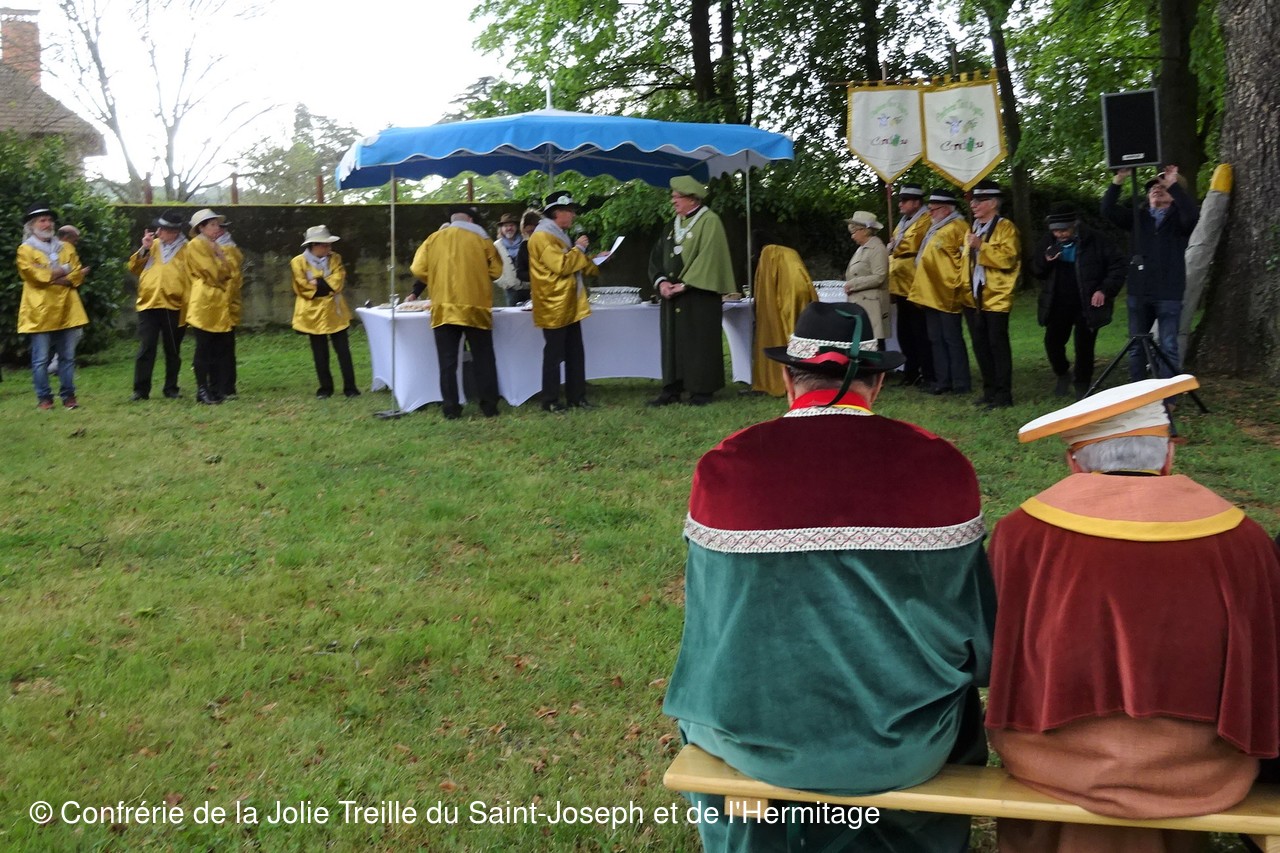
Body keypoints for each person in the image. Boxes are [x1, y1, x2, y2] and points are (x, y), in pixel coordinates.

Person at [664, 301, 995, 853]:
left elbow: (708, 627)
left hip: (751, 740)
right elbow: (977, 635)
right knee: (955, 711)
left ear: (787, 379)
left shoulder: (727, 466)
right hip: (902, 747)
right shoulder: (940, 466)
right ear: (878, 382)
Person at [986, 374, 1280, 853]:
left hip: (1055, 762)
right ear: (1167, 458)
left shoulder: (1021, 534)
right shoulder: (1244, 539)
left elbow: (998, 647)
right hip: (1199, 768)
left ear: (1074, 462)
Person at [1101, 165, 1199, 380]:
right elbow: (1107, 209)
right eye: (1153, 187)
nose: (1156, 189)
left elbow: (1192, 215)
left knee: (1168, 346)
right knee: (1136, 345)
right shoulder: (1138, 217)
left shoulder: (1180, 220)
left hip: (1169, 292)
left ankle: (1168, 395)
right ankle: (1139, 392)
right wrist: (1119, 178)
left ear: (1174, 195)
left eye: (1163, 187)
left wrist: (1173, 185)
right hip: (1139, 291)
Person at [647, 175, 736, 406]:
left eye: (677, 197)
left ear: (692, 199)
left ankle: (701, 390)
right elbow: (656, 257)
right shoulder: (672, 224)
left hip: (699, 294)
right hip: (671, 296)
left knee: (699, 341)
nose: (673, 201)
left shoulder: (710, 221)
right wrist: (661, 282)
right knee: (673, 342)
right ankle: (672, 388)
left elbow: (710, 256)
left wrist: (685, 284)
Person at [409, 206, 503, 419]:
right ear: (470, 220)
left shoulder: (433, 238)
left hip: (443, 307)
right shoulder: (482, 239)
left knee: (447, 362)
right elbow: (497, 271)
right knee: (483, 358)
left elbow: (417, 268)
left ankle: (450, 408)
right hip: (476, 306)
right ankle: (489, 406)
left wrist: (436, 277)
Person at [1031, 202, 1125, 398]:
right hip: (1058, 301)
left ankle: (1082, 385)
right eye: (1056, 231)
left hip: (1087, 302)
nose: (1060, 234)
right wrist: (1046, 261)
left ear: (1075, 225)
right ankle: (1062, 373)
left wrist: (1104, 290)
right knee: (1052, 342)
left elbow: (1117, 266)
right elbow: (1036, 270)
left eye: (1064, 230)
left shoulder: (1096, 240)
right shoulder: (1048, 241)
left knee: (1084, 346)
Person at [528, 191, 601, 412]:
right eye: (569, 211)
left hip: (568, 304)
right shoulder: (542, 237)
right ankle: (550, 400)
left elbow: (572, 262)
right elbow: (561, 265)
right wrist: (579, 249)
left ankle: (576, 397)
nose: (573, 215)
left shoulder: (557, 235)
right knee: (554, 355)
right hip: (553, 305)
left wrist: (595, 261)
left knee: (575, 353)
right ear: (556, 213)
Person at [17, 202, 90, 410]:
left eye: (49, 220)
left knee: (67, 357)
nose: (47, 224)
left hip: (67, 308)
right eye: (42, 220)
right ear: (32, 225)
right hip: (40, 311)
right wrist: (63, 271)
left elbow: (77, 275)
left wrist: (52, 275)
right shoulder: (25, 250)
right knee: (40, 359)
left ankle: (69, 396)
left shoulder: (66, 247)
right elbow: (33, 276)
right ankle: (44, 398)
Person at [960, 179, 1021, 409]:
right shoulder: (973, 228)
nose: (973, 205)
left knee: (997, 346)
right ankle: (989, 390)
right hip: (972, 298)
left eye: (979, 200)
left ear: (993, 203)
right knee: (980, 345)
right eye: (973, 200)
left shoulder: (1006, 228)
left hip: (996, 297)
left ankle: (1004, 395)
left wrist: (981, 247)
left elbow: (1008, 259)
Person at [908, 188, 971, 396]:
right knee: (935, 338)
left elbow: (965, 259)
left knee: (951, 338)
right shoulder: (935, 228)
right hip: (930, 292)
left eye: (933, 209)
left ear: (946, 209)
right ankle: (943, 380)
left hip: (947, 292)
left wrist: (957, 284)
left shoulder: (959, 227)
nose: (930, 213)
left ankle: (960, 382)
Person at [127, 208, 189, 400]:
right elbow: (133, 268)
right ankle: (140, 390)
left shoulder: (187, 249)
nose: (158, 232)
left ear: (174, 231)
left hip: (174, 306)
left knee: (173, 349)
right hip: (149, 304)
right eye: (159, 228)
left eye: (162, 229)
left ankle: (171, 388)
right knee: (146, 347)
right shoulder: (152, 245)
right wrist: (144, 248)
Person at [291, 225, 359, 399]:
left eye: (329, 244)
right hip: (312, 313)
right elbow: (302, 286)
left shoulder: (335, 258)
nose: (329, 248)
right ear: (313, 245)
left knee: (343, 350)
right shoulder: (298, 262)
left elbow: (338, 280)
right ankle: (325, 388)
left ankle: (350, 387)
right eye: (324, 245)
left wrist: (318, 282)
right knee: (320, 353)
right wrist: (324, 284)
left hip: (335, 311)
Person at [183, 208, 237, 405]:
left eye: (217, 224)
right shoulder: (195, 245)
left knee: (217, 347)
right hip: (204, 300)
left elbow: (230, 271)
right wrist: (221, 262)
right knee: (204, 346)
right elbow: (213, 272)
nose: (216, 228)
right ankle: (202, 389)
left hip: (218, 301)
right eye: (212, 225)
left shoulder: (214, 245)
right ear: (201, 227)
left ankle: (216, 388)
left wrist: (220, 258)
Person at [749, 242, 816, 396]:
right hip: (800, 297)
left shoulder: (770, 252)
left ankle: (782, 378)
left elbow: (767, 285)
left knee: (781, 335)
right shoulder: (790, 253)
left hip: (786, 297)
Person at [887, 183, 933, 386]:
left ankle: (925, 370)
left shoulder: (925, 219)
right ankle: (910, 370)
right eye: (900, 200)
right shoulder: (903, 222)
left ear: (916, 202)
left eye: (904, 200)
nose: (900, 204)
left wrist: (895, 245)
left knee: (919, 330)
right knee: (904, 330)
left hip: (915, 282)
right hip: (899, 283)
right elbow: (896, 242)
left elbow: (911, 244)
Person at [842, 210, 890, 349]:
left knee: (875, 345)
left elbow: (879, 276)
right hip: (861, 305)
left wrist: (853, 284)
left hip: (872, 306)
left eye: (854, 231)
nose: (852, 236)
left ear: (864, 230)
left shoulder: (877, 248)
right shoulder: (861, 249)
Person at [217, 223, 244, 398]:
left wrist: (222, 303)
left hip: (223, 306)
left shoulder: (229, 249)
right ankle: (216, 386)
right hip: (211, 306)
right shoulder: (203, 246)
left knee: (225, 347)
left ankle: (226, 387)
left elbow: (231, 280)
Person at [493, 212, 525, 306]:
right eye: (506, 226)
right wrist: (503, 283)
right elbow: (492, 267)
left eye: (511, 225)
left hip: (528, 288)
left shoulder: (525, 242)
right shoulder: (496, 246)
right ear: (501, 229)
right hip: (510, 290)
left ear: (516, 227)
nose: (509, 228)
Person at [512, 208, 541, 306]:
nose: (531, 235)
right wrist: (536, 274)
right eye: (527, 232)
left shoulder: (550, 244)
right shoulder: (524, 246)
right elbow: (519, 272)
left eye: (533, 231)